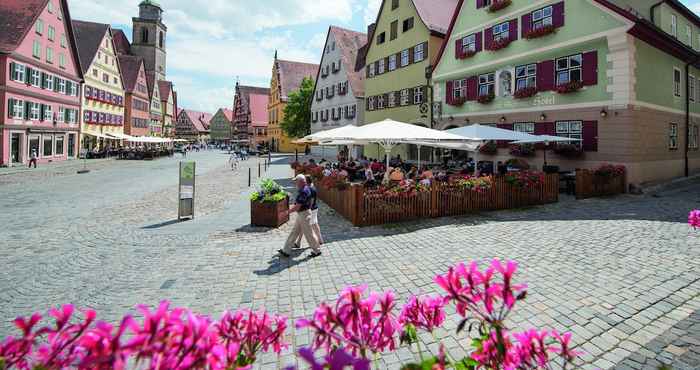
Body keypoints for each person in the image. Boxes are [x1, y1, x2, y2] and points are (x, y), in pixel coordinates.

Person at [278, 175, 322, 258]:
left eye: (296, 181)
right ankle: (286, 250)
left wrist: (287, 212)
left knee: (309, 234)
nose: (295, 183)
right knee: (294, 232)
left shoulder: (304, 191)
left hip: (304, 214)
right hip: (302, 214)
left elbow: (297, 206)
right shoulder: (304, 189)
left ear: (301, 182)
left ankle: (317, 250)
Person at [294, 176, 324, 248]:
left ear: (306, 182)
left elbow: (311, 202)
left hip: (311, 210)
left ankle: (299, 242)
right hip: (314, 209)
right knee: (314, 224)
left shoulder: (309, 189)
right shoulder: (312, 187)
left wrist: (308, 210)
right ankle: (320, 240)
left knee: (304, 226)